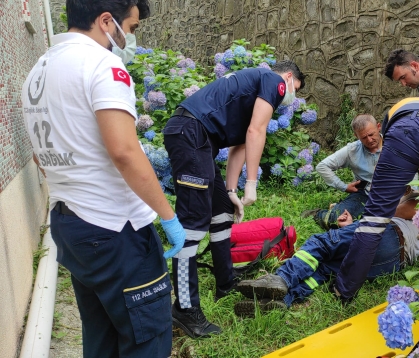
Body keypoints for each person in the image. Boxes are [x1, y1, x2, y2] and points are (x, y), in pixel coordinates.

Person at [21, 1, 186, 357]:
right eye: (132, 27)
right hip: (116, 230)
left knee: (101, 335)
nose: (131, 37)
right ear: (106, 22)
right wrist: (168, 216)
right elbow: (125, 151)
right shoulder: (102, 65)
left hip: (70, 223)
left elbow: (39, 154)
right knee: (148, 337)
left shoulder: (38, 71)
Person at [163, 61, 306, 338]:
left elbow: (240, 145)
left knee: (222, 210)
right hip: (191, 134)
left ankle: (225, 282)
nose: (291, 96)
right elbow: (256, 132)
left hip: (198, 138)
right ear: (289, 77)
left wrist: (232, 191)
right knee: (193, 226)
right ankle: (184, 308)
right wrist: (251, 183)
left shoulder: (252, 93)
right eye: (295, 90)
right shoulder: (273, 81)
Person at [331, 97, 419, 303]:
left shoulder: (393, 124)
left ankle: (345, 291)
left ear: (380, 128)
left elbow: (398, 161)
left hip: (408, 130)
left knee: (374, 220)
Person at [234, 189, 419, 317]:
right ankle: (283, 299)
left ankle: (282, 278)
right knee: (324, 269)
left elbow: (400, 211)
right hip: (392, 261)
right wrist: (350, 227)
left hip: (388, 233)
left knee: (322, 243)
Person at [309, 114, 382, 230]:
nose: (369, 140)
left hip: (392, 194)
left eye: (371, 134)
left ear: (379, 127)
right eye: (363, 137)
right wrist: (343, 186)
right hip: (365, 194)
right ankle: (320, 213)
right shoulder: (352, 150)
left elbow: (410, 171)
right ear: (356, 136)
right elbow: (322, 166)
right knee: (338, 219)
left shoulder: (395, 146)